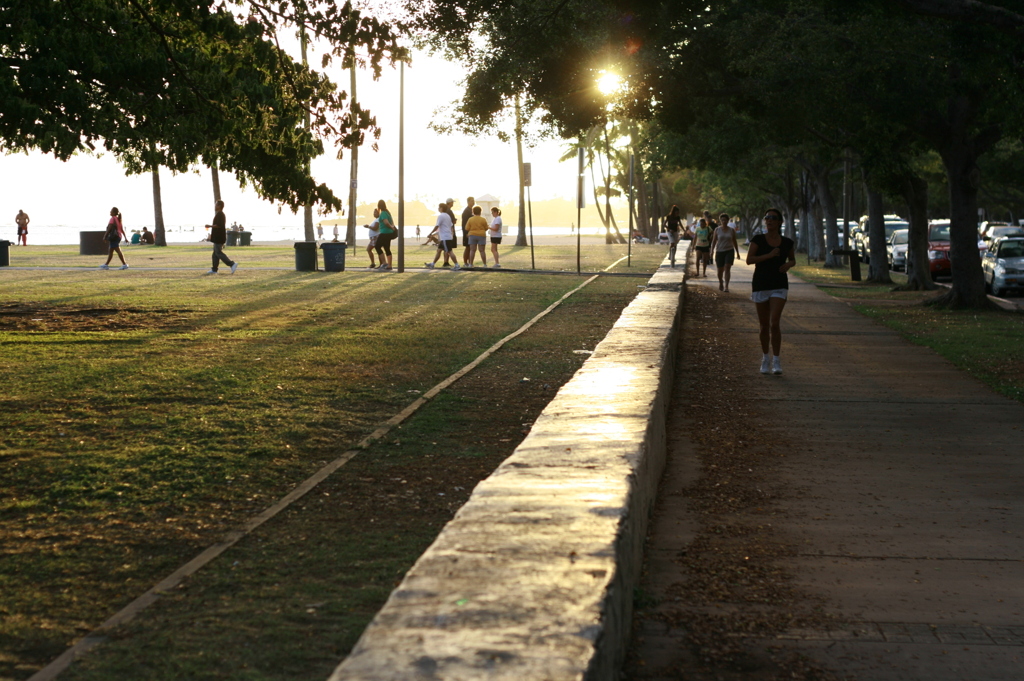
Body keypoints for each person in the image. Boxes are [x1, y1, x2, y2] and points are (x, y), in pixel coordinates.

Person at [746, 208, 796, 375]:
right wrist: (768, 255)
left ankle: (776, 360)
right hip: (761, 284)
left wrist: (789, 264)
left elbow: (792, 259)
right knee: (764, 325)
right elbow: (749, 260)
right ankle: (765, 357)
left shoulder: (787, 242)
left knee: (774, 323)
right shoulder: (758, 240)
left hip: (779, 284)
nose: (769, 221)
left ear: (780, 222)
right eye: (767, 218)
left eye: (773, 218)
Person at [205, 200, 238, 275]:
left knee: (218, 253)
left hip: (219, 237)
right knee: (215, 254)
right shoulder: (219, 214)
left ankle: (232, 264)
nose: (215, 206)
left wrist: (209, 226)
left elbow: (218, 225)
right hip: (217, 237)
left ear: (219, 206)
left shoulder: (220, 214)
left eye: (216, 205)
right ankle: (214, 269)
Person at [424, 202, 461, 270]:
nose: (438, 209)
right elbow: (451, 226)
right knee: (439, 250)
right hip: (447, 236)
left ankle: (457, 265)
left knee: (449, 251)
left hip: (445, 237)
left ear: (441, 208)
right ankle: (432, 264)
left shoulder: (441, 216)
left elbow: (437, 226)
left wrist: (431, 233)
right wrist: (451, 234)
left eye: (439, 207)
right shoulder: (447, 216)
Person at [711, 211, 740, 292]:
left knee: (727, 267)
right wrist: (711, 251)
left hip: (729, 251)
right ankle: (721, 282)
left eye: (725, 220)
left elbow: (734, 241)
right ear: (720, 221)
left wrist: (737, 252)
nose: (724, 221)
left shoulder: (732, 230)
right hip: (720, 251)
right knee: (720, 270)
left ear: (728, 221)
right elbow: (714, 241)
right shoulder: (717, 230)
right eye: (722, 220)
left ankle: (726, 286)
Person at [374, 199, 397, 271]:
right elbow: (392, 222)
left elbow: (386, 222)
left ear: (379, 206)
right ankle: (389, 265)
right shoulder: (387, 212)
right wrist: (392, 228)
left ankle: (384, 263)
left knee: (377, 246)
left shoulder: (383, 213)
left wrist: (391, 227)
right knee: (387, 248)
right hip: (389, 233)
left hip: (385, 233)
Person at [461, 196, 476, 265]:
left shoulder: (472, 210)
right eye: (472, 201)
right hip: (467, 232)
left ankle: (470, 262)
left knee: (471, 247)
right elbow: (464, 223)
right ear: (468, 202)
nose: (473, 202)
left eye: (473, 201)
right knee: (467, 247)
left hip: (472, 232)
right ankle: (465, 262)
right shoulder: (466, 211)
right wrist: (466, 233)